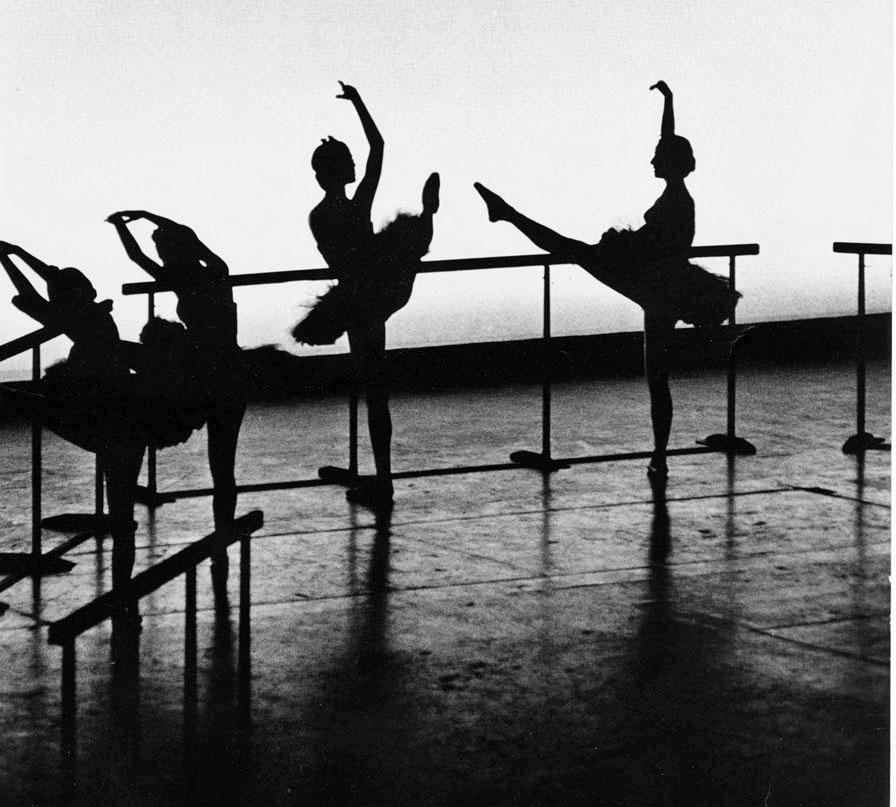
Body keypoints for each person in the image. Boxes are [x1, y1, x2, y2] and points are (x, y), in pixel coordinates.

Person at [474, 81, 738, 479]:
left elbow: (660, 244)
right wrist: (669, 102)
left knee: (572, 250)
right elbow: (667, 140)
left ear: (668, 164)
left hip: (653, 283)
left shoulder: (677, 201)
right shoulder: (679, 192)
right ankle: (659, 456)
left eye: (655, 157)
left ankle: (507, 214)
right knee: (656, 378)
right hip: (660, 286)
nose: (650, 160)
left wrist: (621, 250)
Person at [0, 239, 165, 622]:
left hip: (111, 423)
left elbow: (35, 294)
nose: (64, 300)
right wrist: (16, 253)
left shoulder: (85, 320)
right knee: (121, 516)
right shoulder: (91, 313)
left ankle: (122, 593)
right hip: (119, 419)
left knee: (13, 397)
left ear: (83, 295)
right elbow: (54, 280)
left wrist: (8, 262)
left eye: (67, 296)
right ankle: (122, 593)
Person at [293, 82, 439, 508]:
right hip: (382, 290)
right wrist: (357, 102)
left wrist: (357, 101)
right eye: (350, 163)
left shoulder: (321, 215)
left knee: (374, 390)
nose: (358, 166)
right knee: (373, 390)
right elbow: (378, 146)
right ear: (338, 172)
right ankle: (425, 219)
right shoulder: (356, 208)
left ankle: (384, 481)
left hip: (361, 300)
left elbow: (375, 149)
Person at [106, 210, 244, 599]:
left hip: (205, 377)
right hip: (232, 372)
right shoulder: (217, 270)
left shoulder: (181, 279)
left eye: (165, 251)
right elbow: (191, 237)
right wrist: (147, 215)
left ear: (173, 253)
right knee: (223, 465)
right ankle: (222, 543)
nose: (163, 259)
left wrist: (122, 225)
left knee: (216, 460)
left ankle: (128, 484)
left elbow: (138, 259)